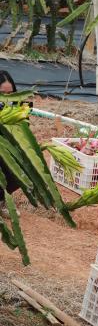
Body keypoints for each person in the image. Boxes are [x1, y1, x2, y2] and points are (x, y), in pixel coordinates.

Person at [0, 70, 21, 219]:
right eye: (2, 93)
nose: (7, 98)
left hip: (6, 150)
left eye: (11, 93)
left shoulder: (18, 106)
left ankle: (2, 200)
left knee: (23, 168)